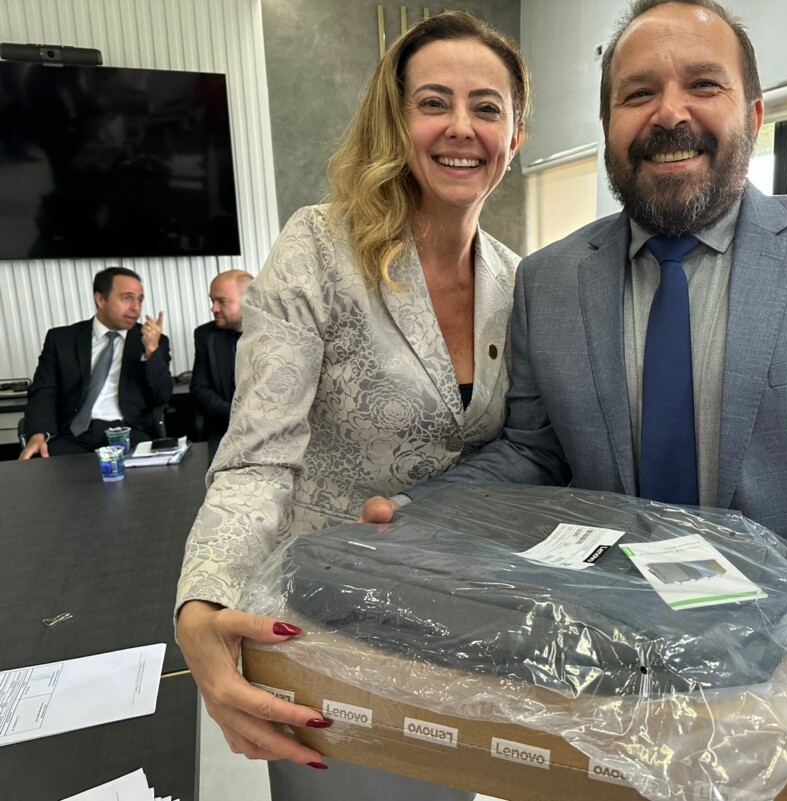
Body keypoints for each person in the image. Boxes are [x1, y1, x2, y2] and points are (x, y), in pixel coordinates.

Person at [361, 2, 787, 798]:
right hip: (604, 699)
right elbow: (535, 449)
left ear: (754, 114)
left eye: (704, 84)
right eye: (637, 93)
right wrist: (424, 511)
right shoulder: (549, 281)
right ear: (607, 126)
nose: (670, 113)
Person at [174, 12, 528, 801]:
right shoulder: (318, 248)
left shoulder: (520, 280)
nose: (461, 127)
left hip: (459, 635)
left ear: (515, 135)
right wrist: (203, 597)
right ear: (395, 121)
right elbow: (259, 457)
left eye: (487, 107)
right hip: (325, 630)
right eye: (433, 102)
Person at [19, 266, 171, 459]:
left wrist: (151, 351)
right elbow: (43, 391)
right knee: (51, 470)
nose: (136, 308)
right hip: (73, 435)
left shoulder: (152, 341)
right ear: (101, 299)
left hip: (129, 432)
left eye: (140, 299)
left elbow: (161, 397)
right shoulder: (62, 339)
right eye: (126, 298)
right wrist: (38, 435)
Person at [190, 269, 253, 441]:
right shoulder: (205, 335)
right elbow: (200, 389)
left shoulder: (277, 335)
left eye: (221, 301)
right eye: (212, 301)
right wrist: (236, 417)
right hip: (224, 427)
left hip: (270, 429)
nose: (214, 308)